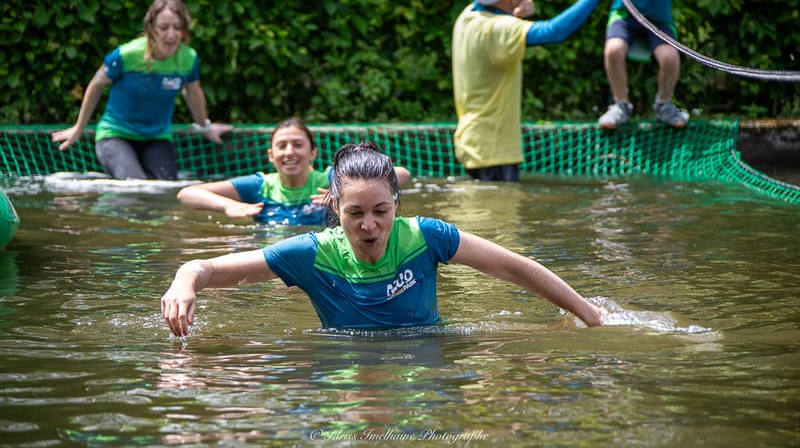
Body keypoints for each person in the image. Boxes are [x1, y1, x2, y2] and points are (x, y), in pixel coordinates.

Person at [161, 142, 604, 336]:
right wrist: (184, 278)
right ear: (335, 208)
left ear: (397, 204)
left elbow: (513, 266)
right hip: (343, 370)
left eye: (381, 212)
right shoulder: (310, 254)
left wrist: (589, 315)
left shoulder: (426, 236)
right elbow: (208, 269)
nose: (369, 226)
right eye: (355, 213)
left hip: (426, 353)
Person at [452, 0, 622, 182]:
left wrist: (514, 14)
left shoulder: (468, 16)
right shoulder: (500, 29)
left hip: (472, 141)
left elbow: (496, 31)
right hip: (495, 148)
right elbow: (555, 31)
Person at [52, 0, 232, 180]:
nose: (171, 35)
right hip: (116, 134)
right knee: (136, 185)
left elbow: (193, 92)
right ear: (151, 29)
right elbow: (97, 83)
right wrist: (79, 128)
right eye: (164, 27)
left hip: (156, 138)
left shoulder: (188, 58)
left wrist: (205, 126)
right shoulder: (127, 54)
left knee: (166, 187)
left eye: (177, 28)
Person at [176, 117, 411, 225]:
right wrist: (229, 205)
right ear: (271, 156)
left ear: (313, 153)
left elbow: (402, 175)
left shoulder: (333, 179)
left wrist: (343, 193)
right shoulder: (259, 186)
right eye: (281, 146)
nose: (290, 152)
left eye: (298, 145)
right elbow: (187, 194)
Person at [595, 0, 689, 130]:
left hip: (658, 19)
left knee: (670, 57)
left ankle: (664, 105)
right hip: (625, 14)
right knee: (613, 49)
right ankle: (620, 105)